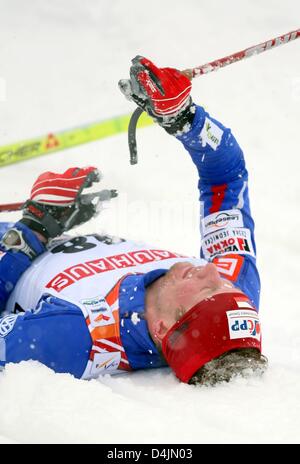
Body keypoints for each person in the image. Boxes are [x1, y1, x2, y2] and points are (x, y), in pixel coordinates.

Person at [0, 57, 267, 385]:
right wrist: (187, 119)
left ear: (162, 328)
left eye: (207, 289)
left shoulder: (79, 335)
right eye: (223, 285)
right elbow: (227, 176)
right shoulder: (236, 303)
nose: (212, 270)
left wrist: (31, 233)